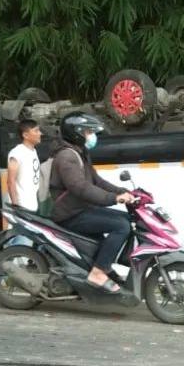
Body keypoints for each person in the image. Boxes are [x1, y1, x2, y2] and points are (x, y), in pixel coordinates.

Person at [48, 112, 134, 293]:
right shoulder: (66, 157)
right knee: (121, 226)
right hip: (70, 214)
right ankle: (98, 272)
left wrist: (122, 191)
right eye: (87, 132)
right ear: (76, 133)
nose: (91, 136)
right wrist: (112, 198)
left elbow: (97, 181)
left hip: (80, 209)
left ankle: (105, 264)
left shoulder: (80, 153)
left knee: (127, 219)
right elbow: (80, 188)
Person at [7, 119, 43, 212]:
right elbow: (11, 181)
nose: (40, 133)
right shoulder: (17, 153)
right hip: (22, 207)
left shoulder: (33, 151)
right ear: (25, 135)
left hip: (33, 205)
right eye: (36, 131)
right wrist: (16, 207)